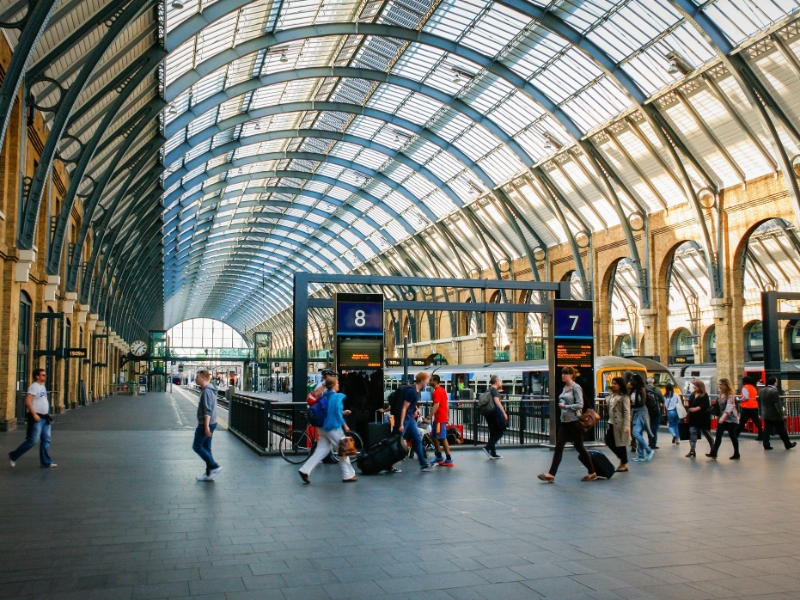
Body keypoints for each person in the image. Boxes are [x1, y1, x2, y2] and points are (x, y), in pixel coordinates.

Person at [538, 366, 596, 482]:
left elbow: (580, 404)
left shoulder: (576, 387)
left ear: (571, 375)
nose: (562, 375)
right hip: (564, 421)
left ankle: (592, 471)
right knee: (559, 447)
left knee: (579, 447)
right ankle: (551, 474)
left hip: (574, 422)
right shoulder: (565, 388)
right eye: (562, 373)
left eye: (565, 373)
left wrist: (566, 406)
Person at [299, 377, 357, 483]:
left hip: (322, 428)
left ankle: (305, 470)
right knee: (344, 450)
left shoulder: (325, 396)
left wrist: (343, 412)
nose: (339, 385)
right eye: (337, 383)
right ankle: (348, 475)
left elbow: (329, 412)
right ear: (334, 385)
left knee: (322, 450)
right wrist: (345, 425)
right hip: (334, 428)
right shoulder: (337, 397)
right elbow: (337, 414)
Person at [9, 368, 56, 469]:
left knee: (46, 440)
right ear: (37, 376)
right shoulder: (34, 387)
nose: (45, 376)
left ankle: (45, 462)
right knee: (33, 440)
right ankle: (14, 455)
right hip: (38, 418)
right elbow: (27, 401)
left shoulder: (42, 386)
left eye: (45, 375)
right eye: (43, 375)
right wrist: (34, 414)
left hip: (45, 417)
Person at [398, 372, 434, 471]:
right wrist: (401, 424)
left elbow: (410, 406)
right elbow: (404, 408)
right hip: (405, 419)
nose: (428, 381)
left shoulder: (418, 391)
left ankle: (423, 464)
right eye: (427, 379)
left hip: (410, 419)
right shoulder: (412, 391)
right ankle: (388, 462)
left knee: (418, 439)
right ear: (422, 380)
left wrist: (416, 410)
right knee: (397, 440)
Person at [194, 369, 222, 481]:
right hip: (211, 423)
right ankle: (209, 473)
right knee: (206, 447)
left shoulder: (207, 392)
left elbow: (208, 410)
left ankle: (214, 466)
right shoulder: (208, 390)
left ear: (203, 378)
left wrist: (206, 426)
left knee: (197, 446)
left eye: (197, 377)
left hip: (206, 424)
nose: (196, 379)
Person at [759, 376, 797, 451]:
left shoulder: (762, 391)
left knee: (767, 430)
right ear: (775, 383)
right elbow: (778, 405)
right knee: (781, 430)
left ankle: (766, 444)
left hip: (766, 414)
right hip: (775, 415)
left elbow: (760, 402)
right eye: (776, 381)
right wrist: (782, 415)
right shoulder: (774, 391)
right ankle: (788, 444)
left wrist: (761, 413)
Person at [708, 378, 740, 460]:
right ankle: (714, 453)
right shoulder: (720, 394)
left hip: (731, 419)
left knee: (732, 436)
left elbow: (729, 407)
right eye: (719, 384)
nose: (719, 386)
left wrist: (723, 417)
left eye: (721, 385)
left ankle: (736, 453)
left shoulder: (730, 395)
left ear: (726, 385)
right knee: (718, 435)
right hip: (722, 418)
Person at [605, 376, 631, 473]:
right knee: (609, 441)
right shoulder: (611, 396)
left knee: (620, 444)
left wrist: (626, 426)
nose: (613, 385)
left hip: (619, 424)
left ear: (620, 385)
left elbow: (627, 412)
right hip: (611, 422)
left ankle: (624, 463)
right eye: (613, 383)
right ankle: (623, 460)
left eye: (615, 383)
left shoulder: (624, 397)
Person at [429, 375, 453, 467]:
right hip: (440, 418)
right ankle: (439, 456)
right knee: (433, 436)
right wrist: (448, 416)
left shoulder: (437, 392)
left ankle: (448, 459)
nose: (429, 381)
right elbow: (446, 404)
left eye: (431, 380)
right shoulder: (442, 390)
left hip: (439, 418)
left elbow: (436, 405)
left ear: (435, 381)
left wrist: (428, 417)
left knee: (442, 438)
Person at [686, 380, 713, 458]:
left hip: (703, 418)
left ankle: (713, 449)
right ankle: (692, 450)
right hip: (693, 418)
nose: (694, 387)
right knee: (692, 433)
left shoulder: (704, 395)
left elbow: (706, 405)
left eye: (696, 385)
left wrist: (696, 409)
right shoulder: (692, 394)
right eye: (694, 385)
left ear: (700, 387)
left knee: (707, 434)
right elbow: (690, 404)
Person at [630, 374, 654, 462]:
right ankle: (640, 455)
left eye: (632, 380)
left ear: (636, 381)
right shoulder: (633, 390)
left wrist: (633, 405)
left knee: (635, 432)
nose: (630, 382)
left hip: (641, 412)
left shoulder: (642, 389)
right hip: (635, 412)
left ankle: (648, 450)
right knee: (639, 432)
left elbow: (642, 402)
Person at [483, 375, 508, 460]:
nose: (500, 382)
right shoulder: (494, 390)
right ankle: (488, 447)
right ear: (497, 381)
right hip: (495, 414)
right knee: (500, 431)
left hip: (489, 414)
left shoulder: (488, 389)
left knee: (493, 432)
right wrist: (504, 412)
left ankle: (493, 453)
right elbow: (497, 402)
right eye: (499, 381)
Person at [737, 376, 763, 441]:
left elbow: (745, 397)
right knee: (757, 422)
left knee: (742, 422)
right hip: (754, 406)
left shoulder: (745, 387)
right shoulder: (754, 387)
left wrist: (739, 400)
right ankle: (761, 435)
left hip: (747, 407)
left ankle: (735, 434)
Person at [645, 377, 664, 449]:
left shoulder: (644, 389)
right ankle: (653, 443)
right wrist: (663, 410)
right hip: (656, 410)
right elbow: (662, 400)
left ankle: (650, 442)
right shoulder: (657, 390)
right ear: (653, 382)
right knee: (655, 427)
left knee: (648, 426)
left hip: (647, 411)